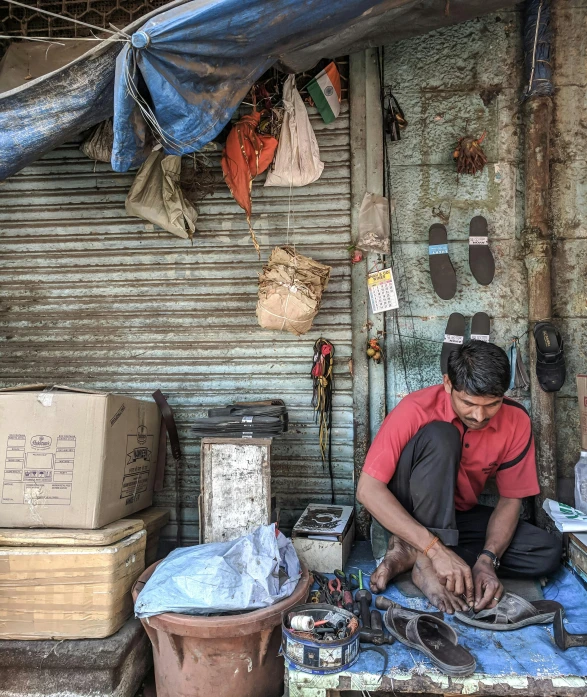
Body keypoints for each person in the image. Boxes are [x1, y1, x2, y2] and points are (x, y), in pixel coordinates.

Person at [356, 341, 562, 614]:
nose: (479, 416)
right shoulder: (415, 408)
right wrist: (435, 550)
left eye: (492, 404)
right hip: (410, 510)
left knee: (546, 552)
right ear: (448, 384)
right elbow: (368, 491)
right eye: (468, 403)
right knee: (441, 436)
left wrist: (488, 560)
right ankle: (426, 564)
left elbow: (511, 500)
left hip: (457, 518)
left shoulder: (516, 421)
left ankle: (410, 551)